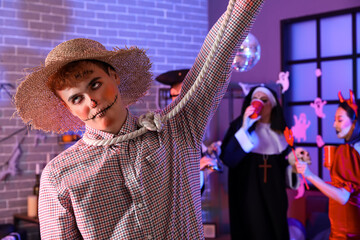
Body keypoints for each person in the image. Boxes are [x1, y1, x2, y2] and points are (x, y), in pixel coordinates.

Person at [13, 0, 264, 239]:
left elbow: (214, 61)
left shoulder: (177, 129)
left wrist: (244, 6)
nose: (92, 101)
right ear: (67, 107)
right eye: (76, 98)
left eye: (96, 84)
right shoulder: (59, 175)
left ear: (114, 76)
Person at [220, 85, 308, 240]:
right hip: (248, 195)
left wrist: (296, 164)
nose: (258, 103)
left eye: (264, 100)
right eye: (254, 99)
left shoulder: (281, 133)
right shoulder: (239, 126)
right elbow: (229, 158)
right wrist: (244, 128)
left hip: (275, 195)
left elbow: (285, 170)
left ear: (272, 105)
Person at [296, 90, 360, 239]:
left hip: (345, 231)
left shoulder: (346, 152)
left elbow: (343, 197)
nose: (334, 124)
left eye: (340, 119)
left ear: (355, 122)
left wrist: (309, 175)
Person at [155, 69, 222, 194]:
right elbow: (165, 172)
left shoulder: (190, 120)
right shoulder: (167, 126)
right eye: (181, 95)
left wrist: (208, 151)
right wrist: (196, 167)